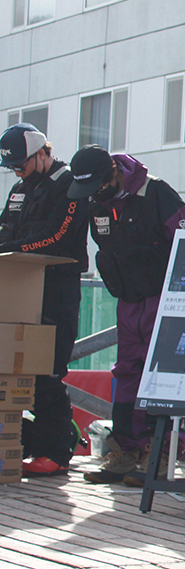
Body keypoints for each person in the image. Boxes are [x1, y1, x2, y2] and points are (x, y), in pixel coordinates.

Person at [67, 146, 185, 485]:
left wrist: (184, 297)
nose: (94, 192)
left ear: (113, 171)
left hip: (164, 298)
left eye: (97, 184)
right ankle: (125, 450)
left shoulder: (156, 192)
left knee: (162, 372)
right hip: (127, 299)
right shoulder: (96, 203)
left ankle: (162, 451)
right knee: (126, 373)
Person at [0, 123, 89, 477]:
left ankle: (56, 451)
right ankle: (32, 442)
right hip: (20, 287)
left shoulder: (70, 185)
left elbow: (58, 237)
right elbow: (5, 227)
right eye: (12, 167)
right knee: (15, 371)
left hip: (56, 290)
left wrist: (11, 249)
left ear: (41, 153)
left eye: (20, 164)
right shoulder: (21, 188)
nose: (17, 172)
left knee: (47, 370)